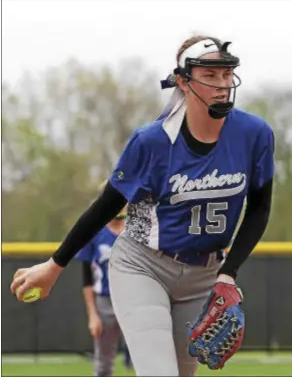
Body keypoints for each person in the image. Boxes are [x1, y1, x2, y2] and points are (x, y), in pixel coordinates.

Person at [11, 35, 275, 376]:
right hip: (143, 266)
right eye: (210, 76)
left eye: (226, 75)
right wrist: (54, 265)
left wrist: (228, 274)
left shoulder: (255, 134)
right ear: (182, 80)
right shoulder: (152, 141)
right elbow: (106, 206)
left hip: (206, 273)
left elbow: (259, 208)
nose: (222, 85)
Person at [76, 188, 132, 376]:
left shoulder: (137, 229)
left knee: (145, 357)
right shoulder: (94, 232)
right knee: (103, 363)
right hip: (105, 301)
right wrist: (92, 315)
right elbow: (87, 279)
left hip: (134, 298)